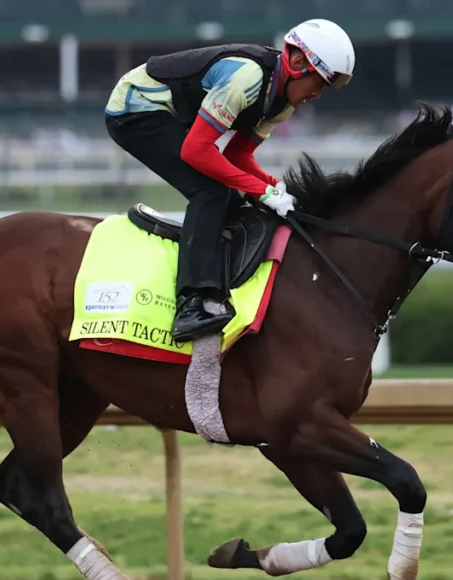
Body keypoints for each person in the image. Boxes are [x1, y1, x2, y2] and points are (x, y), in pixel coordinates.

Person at [104, 19, 356, 343]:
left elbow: (238, 156)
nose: (318, 94)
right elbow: (197, 151)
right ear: (297, 63)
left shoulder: (281, 106)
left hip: (171, 115)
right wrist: (263, 192)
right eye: (319, 82)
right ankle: (190, 304)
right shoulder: (246, 79)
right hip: (135, 108)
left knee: (233, 200)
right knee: (210, 192)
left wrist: (275, 187)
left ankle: (220, 287)